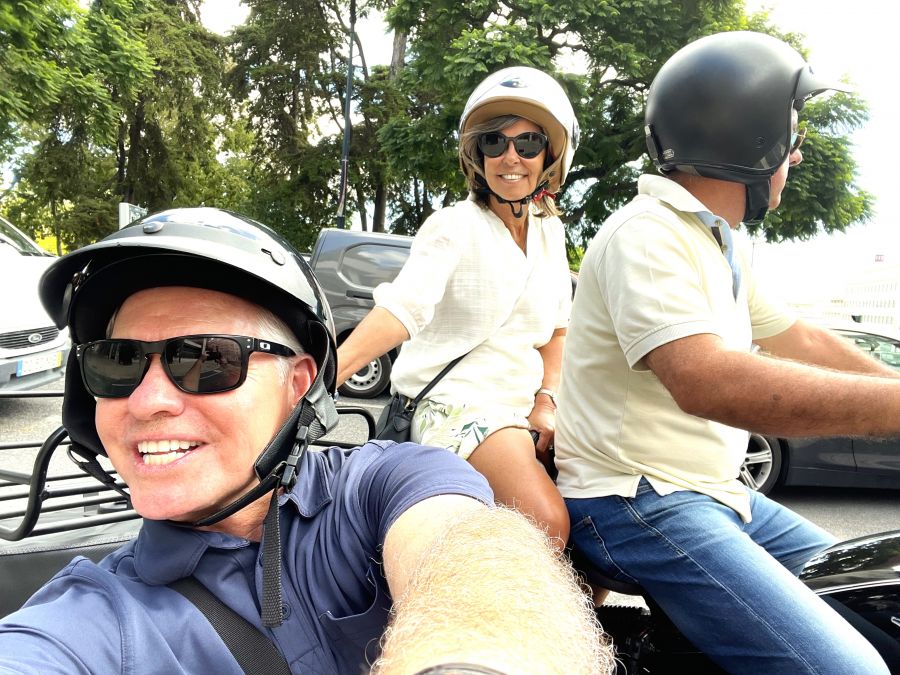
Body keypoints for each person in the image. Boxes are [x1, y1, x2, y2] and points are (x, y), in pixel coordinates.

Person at [0, 208, 612, 674]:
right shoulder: (88, 620)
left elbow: (476, 563)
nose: (150, 399)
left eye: (207, 360)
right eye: (118, 363)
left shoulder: (387, 485)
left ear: (299, 387)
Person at [555, 31, 895, 674]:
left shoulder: (723, 243)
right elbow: (707, 380)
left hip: (716, 493)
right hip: (633, 500)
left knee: (881, 599)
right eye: (791, 139)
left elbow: (804, 340)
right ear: (752, 140)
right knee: (849, 671)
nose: (795, 156)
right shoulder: (646, 234)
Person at [337, 66, 578, 549]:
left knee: (604, 520)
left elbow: (556, 331)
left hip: (527, 405)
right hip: (459, 403)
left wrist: (547, 401)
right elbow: (403, 310)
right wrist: (320, 379)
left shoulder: (551, 231)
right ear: (477, 154)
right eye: (495, 143)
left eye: (528, 143)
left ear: (550, 156)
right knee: (546, 522)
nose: (511, 157)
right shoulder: (454, 226)